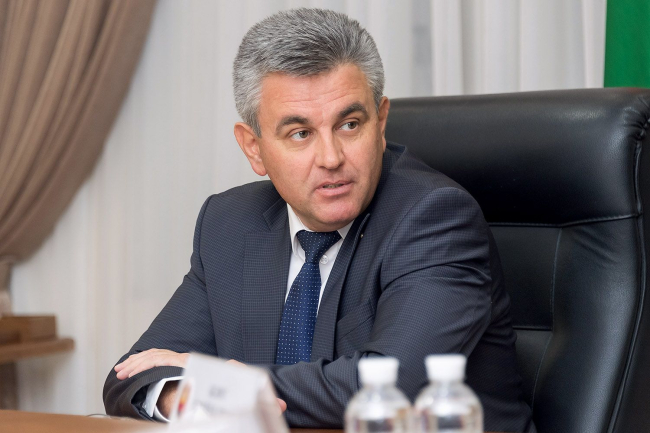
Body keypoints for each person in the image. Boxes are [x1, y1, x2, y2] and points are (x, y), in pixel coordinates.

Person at [103, 8, 534, 431]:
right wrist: (184, 395)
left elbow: (390, 387)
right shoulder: (230, 223)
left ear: (381, 123)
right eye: (300, 133)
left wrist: (228, 387)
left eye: (349, 124)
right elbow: (133, 375)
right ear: (253, 148)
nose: (331, 158)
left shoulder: (436, 217)